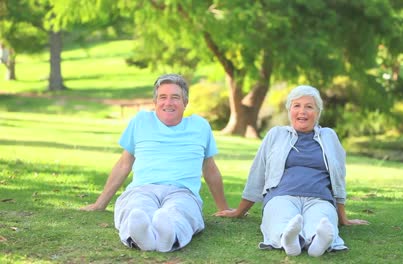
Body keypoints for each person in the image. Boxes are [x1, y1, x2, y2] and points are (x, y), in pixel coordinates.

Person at [81, 73, 230, 252]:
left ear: (185, 102)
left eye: (175, 97)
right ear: (155, 102)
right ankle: (143, 238)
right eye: (163, 97)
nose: (168, 103)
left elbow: (210, 169)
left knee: (179, 211)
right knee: (137, 209)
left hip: (182, 192)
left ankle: (169, 236)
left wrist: (223, 208)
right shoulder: (141, 121)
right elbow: (123, 164)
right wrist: (100, 204)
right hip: (142, 189)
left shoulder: (200, 126)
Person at [216, 85, 368, 257]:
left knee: (322, 221)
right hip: (281, 196)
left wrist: (343, 218)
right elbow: (258, 173)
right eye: (297, 106)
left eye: (309, 106)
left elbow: (339, 178)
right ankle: (289, 241)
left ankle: (318, 244)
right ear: (289, 110)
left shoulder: (329, 136)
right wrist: (239, 212)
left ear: (318, 113)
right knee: (282, 219)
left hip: (320, 197)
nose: (302, 111)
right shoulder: (276, 134)